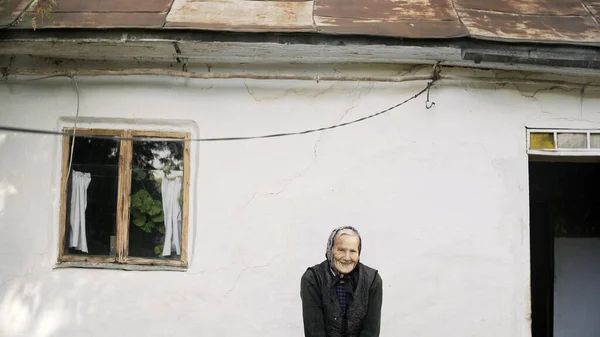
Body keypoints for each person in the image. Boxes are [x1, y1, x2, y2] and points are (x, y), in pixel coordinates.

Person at [300, 226, 383, 337]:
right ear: (330, 250)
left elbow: (371, 330)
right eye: (341, 250)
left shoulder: (372, 280)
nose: (347, 257)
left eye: (353, 251)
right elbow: (314, 331)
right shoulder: (313, 278)